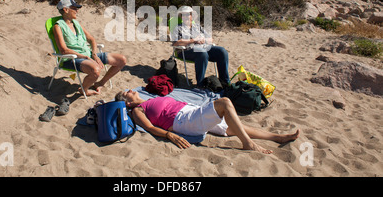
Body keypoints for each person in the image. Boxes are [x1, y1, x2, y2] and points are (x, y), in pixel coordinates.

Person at [115, 89, 300, 154]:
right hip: (183, 120)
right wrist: (169, 134)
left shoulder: (149, 100)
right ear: (128, 102)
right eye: (127, 92)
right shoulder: (138, 110)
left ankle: (277, 137)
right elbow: (149, 127)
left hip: (190, 112)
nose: (131, 89)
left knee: (234, 127)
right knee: (225, 103)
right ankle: (248, 144)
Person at [53, 0, 127, 96]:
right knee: (96, 70)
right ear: (66, 10)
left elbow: (91, 39)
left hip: (88, 54)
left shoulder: (76, 23)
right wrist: (85, 57)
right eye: (74, 8)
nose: (77, 10)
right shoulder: (58, 27)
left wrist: (94, 54)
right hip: (72, 59)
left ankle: (100, 83)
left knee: (121, 60)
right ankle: (84, 89)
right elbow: (64, 50)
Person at [171, 6, 230, 86]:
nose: (185, 17)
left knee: (222, 51)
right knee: (202, 53)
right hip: (185, 51)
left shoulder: (198, 27)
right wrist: (193, 40)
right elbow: (176, 43)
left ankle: (225, 82)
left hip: (203, 47)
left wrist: (204, 40)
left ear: (191, 16)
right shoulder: (178, 28)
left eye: (187, 14)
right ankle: (200, 84)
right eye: (183, 15)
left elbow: (211, 39)